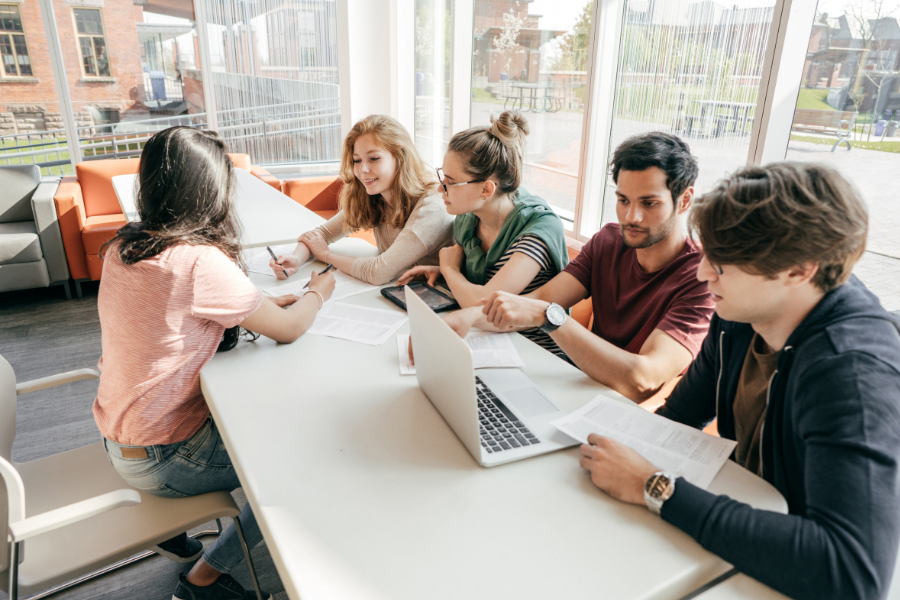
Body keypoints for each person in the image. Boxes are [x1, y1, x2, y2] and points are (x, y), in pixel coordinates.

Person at [579, 162, 900, 600]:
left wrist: (655, 487)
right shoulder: (739, 317)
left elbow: (852, 574)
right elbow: (677, 420)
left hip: (793, 572)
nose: (702, 273)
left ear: (798, 269)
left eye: (723, 263)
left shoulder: (851, 372)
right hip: (743, 527)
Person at [96, 127, 335, 600]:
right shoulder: (199, 261)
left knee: (263, 420)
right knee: (307, 469)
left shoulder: (125, 246)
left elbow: (176, 312)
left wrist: (256, 302)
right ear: (211, 190)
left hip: (119, 436)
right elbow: (289, 330)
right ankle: (212, 578)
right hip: (165, 458)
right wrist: (316, 294)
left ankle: (172, 533)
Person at [445, 132, 714, 400]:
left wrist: (548, 315)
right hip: (580, 386)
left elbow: (642, 379)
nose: (631, 217)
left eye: (649, 203)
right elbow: (541, 299)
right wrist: (467, 317)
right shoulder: (608, 242)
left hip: (629, 411)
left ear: (685, 201)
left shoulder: (702, 277)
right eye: (623, 200)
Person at [398, 111, 569, 357]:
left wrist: (450, 270)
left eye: (450, 181)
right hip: (490, 342)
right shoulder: (468, 219)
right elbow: (480, 287)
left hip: (539, 356)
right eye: (441, 176)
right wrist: (441, 273)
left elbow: (484, 303)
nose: (440, 187)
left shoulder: (538, 229)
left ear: (486, 189)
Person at [270, 114, 454, 285]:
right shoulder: (374, 194)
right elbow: (321, 234)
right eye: (357, 160)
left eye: (374, 158)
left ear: (400, 158)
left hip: (438, 299)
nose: (363, 169)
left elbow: (379, 272)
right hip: (403, 291)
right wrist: (296, 259)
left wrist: (325, 254)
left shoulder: (431, 204)